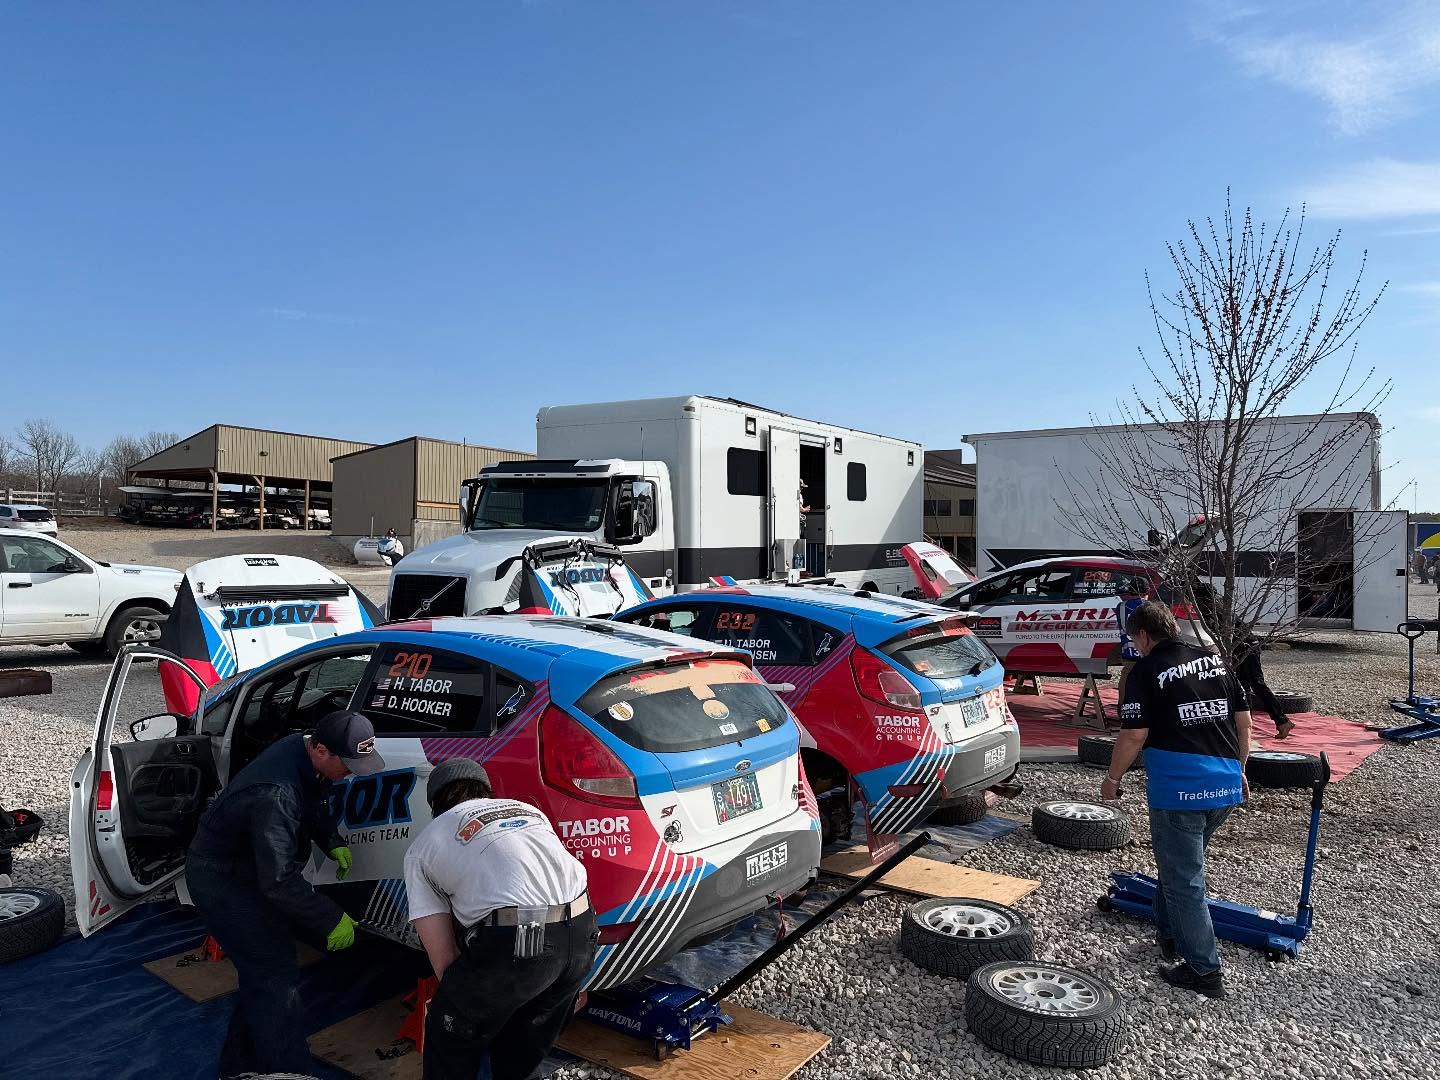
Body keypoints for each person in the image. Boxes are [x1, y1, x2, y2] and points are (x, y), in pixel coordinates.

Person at [187, 711, 383, 1077]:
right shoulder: (274, 795)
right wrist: (330, 918)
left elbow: (314, 796)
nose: (354, 772)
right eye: (350, 763)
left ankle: (237, 1067)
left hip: (251, 871)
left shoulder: (298, 748)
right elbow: (278, 880)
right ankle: (291, 1072)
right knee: (275, 975)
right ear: (321, 750)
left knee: (263, 976)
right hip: (224, 881)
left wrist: (330, 839)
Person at [404, 758, 596, 1080]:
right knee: (524, 1048)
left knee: (448, 1032)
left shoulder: (424, 846)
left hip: (520, 941)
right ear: (487, 792)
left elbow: (444, 960)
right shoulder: (527, 811)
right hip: (582, 932)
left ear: (435, 803)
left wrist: (464, 1007)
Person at [1102, 600, 1251, 999]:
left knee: (1185, 881)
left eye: (1134, 639)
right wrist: (1240, 769)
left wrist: (1113, 778)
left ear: (1145, 636)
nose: (1135, 646)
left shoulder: (1145, 671)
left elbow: (1134, 734)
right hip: (1224, 786)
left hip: (1179, 791)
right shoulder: (1215, 661)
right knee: (1177, 866)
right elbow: (1244, 722)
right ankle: (1171, 934)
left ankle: (1204, 969)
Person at [1192, 581, 1293, 738]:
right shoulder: (1215, 607)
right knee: (1242, 688)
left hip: (1247, 648)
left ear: (1203, 598)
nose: (1194, 602)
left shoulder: (1213, 610)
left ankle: (1282, 720)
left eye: (1196, 599)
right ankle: (1248, 725)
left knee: (1257, 685)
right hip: (1239, 650)